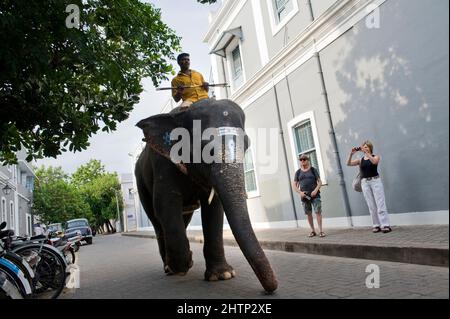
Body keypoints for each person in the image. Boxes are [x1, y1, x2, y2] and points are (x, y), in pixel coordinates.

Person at [347, 140, 392, 233]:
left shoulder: (375, 156)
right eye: (363, 147)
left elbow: (374, 162)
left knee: (380, 203)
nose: (364, 148)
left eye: (366, 147)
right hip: (365, 183)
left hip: (375, 181)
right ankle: (376, 225)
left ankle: (385, 225)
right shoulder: (360, 160)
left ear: (370, 148)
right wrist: (351, 154)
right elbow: (349, 164)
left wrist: (367, 153)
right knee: (371, 205)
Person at [292, 154, 325, 238]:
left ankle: (321, 231)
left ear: (308, 160)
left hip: (315, 195)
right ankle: (313, 231)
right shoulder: (298, 172)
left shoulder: (313, 170)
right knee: (308, 213)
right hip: (305, 197)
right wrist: (300, 193)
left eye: (304, 159)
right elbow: (294, 185)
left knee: (318, 212)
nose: (302, 161)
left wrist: (315, 190)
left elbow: (320, 182)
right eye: (301, 160)